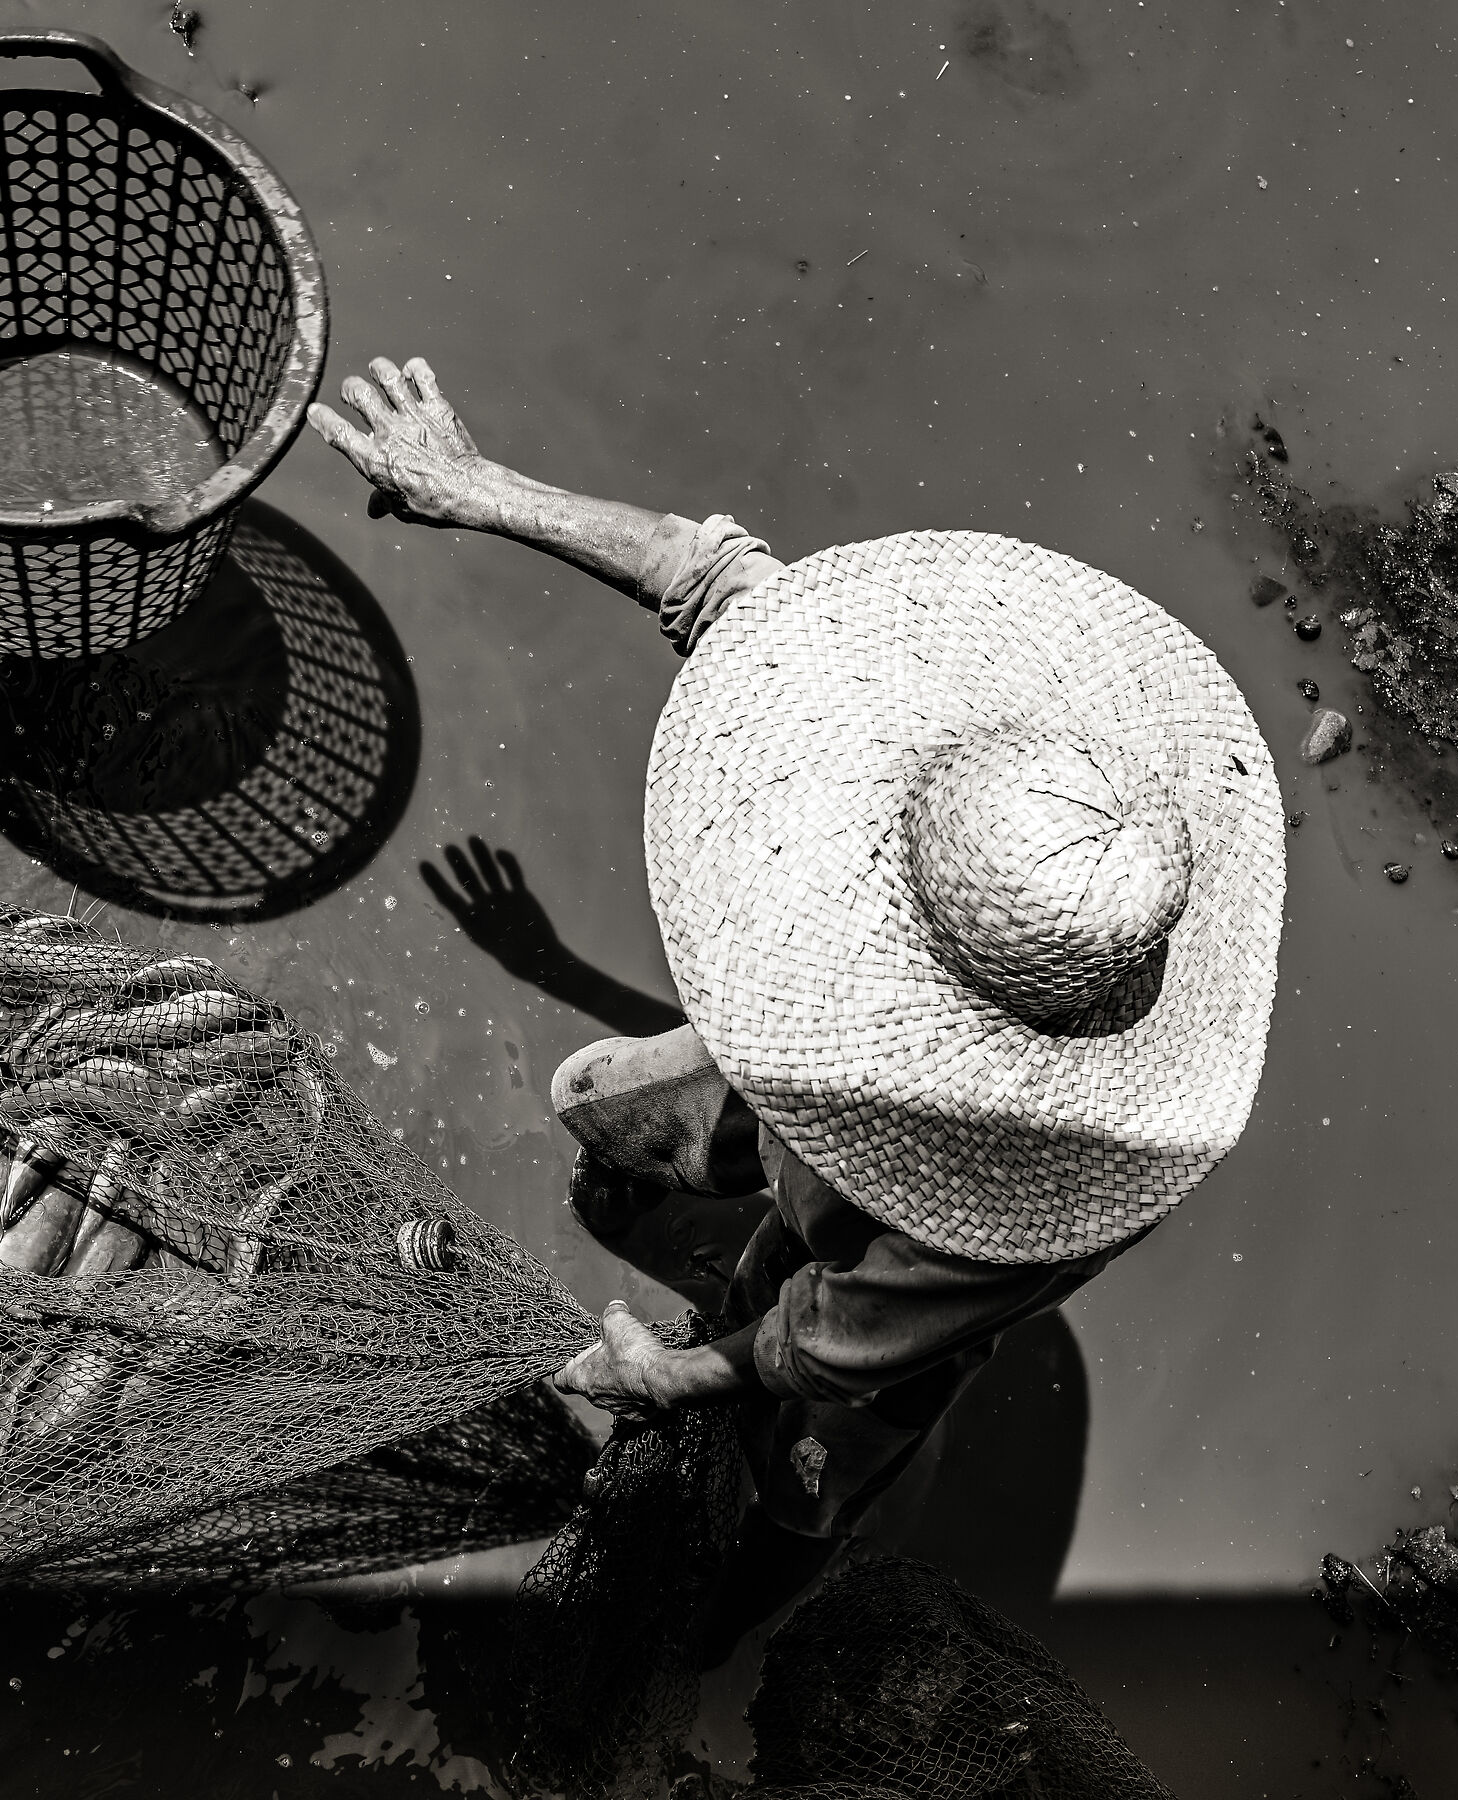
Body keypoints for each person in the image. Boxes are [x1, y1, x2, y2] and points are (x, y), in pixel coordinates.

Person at [307, 357, 1285, 1658]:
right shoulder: (943, 745)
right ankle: (729, 1210)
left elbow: (831, 1339)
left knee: (800, 1482)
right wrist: (475, 488)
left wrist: (674, 1378)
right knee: (592, 1103)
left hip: (874, 1292)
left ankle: (725, 1629)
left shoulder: (1028, 1197)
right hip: (802, 1112)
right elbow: (704, 572)